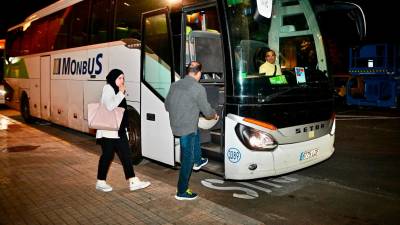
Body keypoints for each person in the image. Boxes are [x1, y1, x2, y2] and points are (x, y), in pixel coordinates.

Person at [165, 61, 218, 200]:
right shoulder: (198, 88)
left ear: (188, 71)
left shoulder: (175, 85)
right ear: (199, 73)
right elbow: (207, 112)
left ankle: (197, 160)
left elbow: (167, 105)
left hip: (176, 125)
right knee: (186, 158)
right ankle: (182, 191)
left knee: (196, 131)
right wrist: (214, 115)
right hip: (186, 128)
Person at [95, 69, 150, 192]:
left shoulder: (116, 90)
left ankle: (133, 180)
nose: (122, 81)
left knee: (126, 154)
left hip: (118, 129)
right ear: (113, 78)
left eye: (123, 78)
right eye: (119, 78)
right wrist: (120, 93)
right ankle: (100, 181)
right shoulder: (108, 88)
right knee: (107, 155)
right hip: (109, 130)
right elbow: (109, 106)